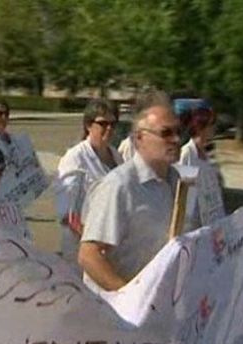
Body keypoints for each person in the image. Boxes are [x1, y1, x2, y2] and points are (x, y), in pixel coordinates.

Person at [78, 94, 192, 292]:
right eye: (165, 133)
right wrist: (129, 299)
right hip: (119, 313)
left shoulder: (180, 183)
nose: (176, 139)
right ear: (140, 138)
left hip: (162, 304)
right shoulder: (119, 186)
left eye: (178, 132)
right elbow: (89, 256)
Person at [54, 99, 123, 263]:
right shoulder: (75, 158)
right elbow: (68, 215)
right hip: (83, 248)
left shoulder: (117, 157)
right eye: (103, 123)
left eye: (113, 124)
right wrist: (94, 241)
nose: (109, 128)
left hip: (111, 243)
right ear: (88, 125)